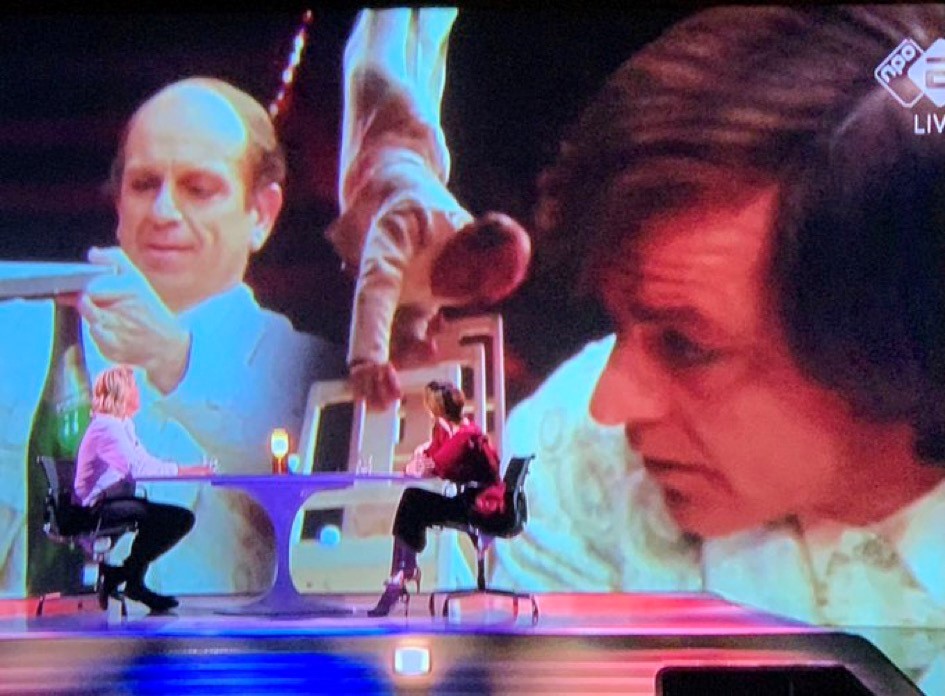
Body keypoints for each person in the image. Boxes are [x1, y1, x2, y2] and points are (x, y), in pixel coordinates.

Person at [490, 5, 945, 690]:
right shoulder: (560, 465)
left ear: (903, 342)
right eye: (620, 323)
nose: (609, 405)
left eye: (685, 345)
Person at [2, 75, 345, 598]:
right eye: (144, 185)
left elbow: (321, 512)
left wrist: (176, 362)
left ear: (261, 214)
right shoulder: (26, 338)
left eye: (198, 189)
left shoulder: (312, 370)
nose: (163, 212)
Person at [328, 7, 532, 411]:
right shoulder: (416, 216)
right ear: (465, 238)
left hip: (419, 152)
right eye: (475, 278)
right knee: (379, 44)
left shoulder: (459, 277)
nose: (467, 292)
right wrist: (368, 358)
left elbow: (419, 299)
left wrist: (412, 339)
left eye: (480, 293)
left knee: (426, 45)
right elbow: (379, 279)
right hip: (389, 115)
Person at [75, 365, 213, 612]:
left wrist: (188, 470)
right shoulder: (106, 428)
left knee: (179, 518)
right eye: (133, 387)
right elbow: (137, 469)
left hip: (116, 500)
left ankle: (126, 578)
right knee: (173, 519)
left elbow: (145, 462)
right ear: (120, 393)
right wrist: (187, 471)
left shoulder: (122, 425)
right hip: (98, 507)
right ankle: (128, 579)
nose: (138, 392)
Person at [368, 380, 503, 616]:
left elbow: (432, 466)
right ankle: (402, 572)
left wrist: (418, 464)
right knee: (413, 500)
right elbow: (429, 457)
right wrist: (421, 457)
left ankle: (402, 573)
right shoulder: (443, 431)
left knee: (413, 501)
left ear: (435, 409)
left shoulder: (466, 436)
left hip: (480, 507)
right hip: (465, 501)